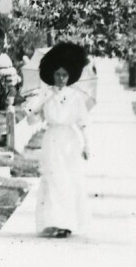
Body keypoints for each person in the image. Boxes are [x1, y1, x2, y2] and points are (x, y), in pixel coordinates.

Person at [35, 58, 97, 236]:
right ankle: (53, 222)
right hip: (52, 139)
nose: (61, 78)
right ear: (52, 75)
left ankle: (67, 223)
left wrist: (86, 144)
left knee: (69, 179)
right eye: (57, 74)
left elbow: (83, 121)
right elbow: (33, 118)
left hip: (69, 141)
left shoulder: (75, 96)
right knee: (53, 178)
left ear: (69, 77)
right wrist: (37, 104)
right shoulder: (45, 94)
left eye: (64, 75)